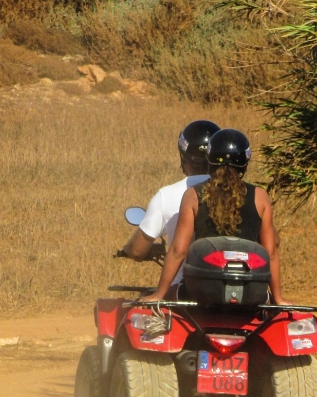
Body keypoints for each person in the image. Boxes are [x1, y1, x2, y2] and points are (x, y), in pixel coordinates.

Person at [141, 129, 290, 305]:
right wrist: (278, 298)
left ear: (209, 159)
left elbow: (178, 251)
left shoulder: (193, 195)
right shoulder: (260, 197)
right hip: (250, 294)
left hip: (201, 291)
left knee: (159, 296)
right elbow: (271, 253)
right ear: (245, 162)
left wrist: (159, 295)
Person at [122, 120, 220, 292]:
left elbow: (137, 250)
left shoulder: (167, 195)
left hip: (185, 291)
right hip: (244, 289)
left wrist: (127, 249)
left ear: (184, 157)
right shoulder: (243, 194)